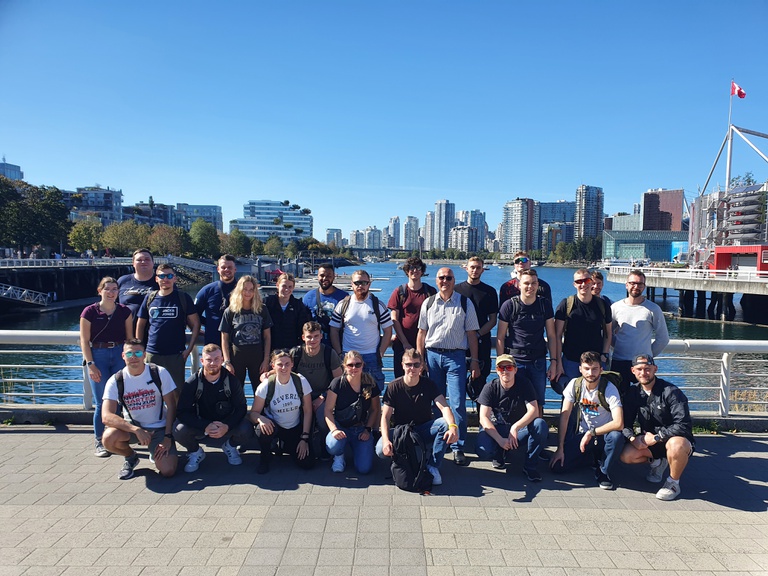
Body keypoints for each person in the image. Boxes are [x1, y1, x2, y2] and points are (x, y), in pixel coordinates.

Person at [416, 267, 479, 466]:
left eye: (449, 278)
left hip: (456, 357)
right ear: (436, 281)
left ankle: (458, 446)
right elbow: (421, 334)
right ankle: (440, 441)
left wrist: (475, 361)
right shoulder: (429, 302)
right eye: (442, 278)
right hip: (433, 356)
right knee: (437, 402)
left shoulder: (464, 302)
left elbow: (471, 335)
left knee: (458, 402)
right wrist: (420, 360)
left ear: (454, 280)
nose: (445, 281)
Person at [376, 349, 459, 486]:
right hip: (401, 432)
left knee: (444, 424)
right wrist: (386, 440)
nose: (412, 368)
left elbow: (444, 407)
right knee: (379, 450)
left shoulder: (429, 384)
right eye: (408, 364)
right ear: (402, 365)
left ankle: (433, 466)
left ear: (421, 366)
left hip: (423, 429)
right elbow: (385, 416)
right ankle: (404, 459)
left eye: (416, 365)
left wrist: (453, 426)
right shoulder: (393, 386)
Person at [620, 354, 695, 501]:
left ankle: (673, 483)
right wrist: (632, 438)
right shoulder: (632, 393)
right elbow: (625, 424)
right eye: (639, 369)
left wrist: (657, 437)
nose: (643, 373)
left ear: (655, 369)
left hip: (672, 439)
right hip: (649, 441)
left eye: (647, 369)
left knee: (676, 445)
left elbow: (683, 425)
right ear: (633, 371)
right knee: (626, 455)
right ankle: (658, 463)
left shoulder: (671, 392)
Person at [101, 340, 178, 480]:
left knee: (168, 471)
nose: (133, 357)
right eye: (129, 353)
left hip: (159, 429)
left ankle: (155, 451)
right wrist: (136, 430)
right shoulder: (116, 380)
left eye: (137, 353)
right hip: (133, 429)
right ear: (123, 356)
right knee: (108, 438)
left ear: (144, 355)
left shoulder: (159, 373)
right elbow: (106, 416)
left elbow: (172, 406)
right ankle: (130, 457)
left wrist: (168, 437)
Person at [550, 351, 625, 490]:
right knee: (557, 467)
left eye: (595, 369)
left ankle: (603, 471)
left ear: (601, 369)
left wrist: (592, 432)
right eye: (587, 368)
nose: (591, 373)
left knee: (616, 436)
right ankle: (593, 458)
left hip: (604, 436)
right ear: (580, 369)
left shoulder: (609, 388)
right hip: (584, 436)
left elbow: (619, 423)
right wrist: (560, 448)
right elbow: (564, 416)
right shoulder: (575, 384)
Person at [175, 344, 255, 473]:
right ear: (202, 361)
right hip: (201, 424)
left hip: (225, 423)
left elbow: (241, 408)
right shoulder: (192, 383)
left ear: (222, 360)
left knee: (246, 428)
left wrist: (227, 426)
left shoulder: (232, 381)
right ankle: (196, 452)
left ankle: (230, 446)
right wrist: (204, 425)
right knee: (179, 430)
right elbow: (182, 412)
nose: (213, 363)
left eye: (217, 359)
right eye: (209, 360)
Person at [79, 276, 134, 457]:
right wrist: (91, 364)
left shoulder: (125, 311)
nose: (111, 293)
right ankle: (99, 440)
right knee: (101, 402)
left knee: (118, 399)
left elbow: (129, 338)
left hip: (119, 353)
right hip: (98, 355)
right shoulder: (89, 312)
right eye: (107, 289)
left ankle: (116, 438)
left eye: (114, 289)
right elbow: (84, 341)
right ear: (100, 290)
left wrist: (131, 360)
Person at [496, 269, 559, 414]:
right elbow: (500, 337)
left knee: (538, 402)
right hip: (515, 361)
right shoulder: (509, 306)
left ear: (538, 285)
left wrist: (554, 362)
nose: (530, 286)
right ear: (519, 285)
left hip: (538, 361)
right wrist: (501, 363)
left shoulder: (545, 305)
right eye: (526, 283)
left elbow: (551, 335)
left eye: (533, 283)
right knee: (514, 401)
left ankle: (537, 433)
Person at [476, 354, 547, 481]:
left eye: (508, 367)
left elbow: (534, 410)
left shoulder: (524, 384)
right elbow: (483, 418)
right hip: (497, 429)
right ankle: (499, 450)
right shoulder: (490, 387)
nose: (505, 371)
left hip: (517, 431)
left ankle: (530, 466)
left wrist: (516, 427)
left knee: (540, 424)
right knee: (483, 450)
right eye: (501, 368)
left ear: (515, 369)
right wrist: (499, 439)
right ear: (497, 371)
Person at [136, 263, 201, 388]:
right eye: (162, 276)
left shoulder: (183, 298)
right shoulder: (150, 298)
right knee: (152, 391)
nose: (165, 279)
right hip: (152, 353)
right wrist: (140, 349)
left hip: (175, 354)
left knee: (176, 392)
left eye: (169, 276)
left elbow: (196, 323)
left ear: (175, 278)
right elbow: (140, 324)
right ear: (156, 279)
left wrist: (188, 349)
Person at [249, 350, 314, 474]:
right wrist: (260, 419)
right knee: (262, 429)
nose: (283, 367)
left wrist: (304, 438)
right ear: (273, 365)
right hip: (274, 426)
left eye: (287, 364)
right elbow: (253, 413)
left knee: (308, 463)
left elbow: (308, 411)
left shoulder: (300, 381)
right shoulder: (266, 386)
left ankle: (283, 446)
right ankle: (265, 456)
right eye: (280, 364)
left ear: (292, 364)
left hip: (294, 427)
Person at [330, 270, 393, 392]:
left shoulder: (378, 305)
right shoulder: (343, 305)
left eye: (364, 282)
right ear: (352, 284)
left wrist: (380, 353)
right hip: (348, 356)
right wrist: (339, 353)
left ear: (369, 284)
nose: (361, 286)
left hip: (372, 357)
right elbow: (334, 330)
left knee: (373, 395)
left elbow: (388, 331)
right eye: (357, 282)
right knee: (347, 394)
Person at [611, 270, 670, 389]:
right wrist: (616, 347)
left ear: (644, 286)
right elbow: (608, 333)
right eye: (632, 283)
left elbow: (663, 338)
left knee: (644, 400)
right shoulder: (615, 307)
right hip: (619, 361)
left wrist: (648, 355)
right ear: (626, 284)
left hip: (643, 365)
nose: (636, 287)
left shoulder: (653, 309)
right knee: (619, 401)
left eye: (640, 284)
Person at [324, 351, 381, 474]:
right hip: (341, 427)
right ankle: (339, 455)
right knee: (333, 446)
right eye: (350, 365)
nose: (354, 368)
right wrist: (334, 429)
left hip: (360, 428)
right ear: (344, 366)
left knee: (364, 469)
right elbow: (328, 410)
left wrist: (368, 429)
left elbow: (375, 409)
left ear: (363, 365)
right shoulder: (337, 383)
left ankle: (356, 450)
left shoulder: (370, 384)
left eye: (357, 364)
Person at [554, 269, 612, 386]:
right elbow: (557, 335)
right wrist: (558, 363)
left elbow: (608, 333)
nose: (583, 284)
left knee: (597, 397)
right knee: (571, 397)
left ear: (591, 282)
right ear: (574, 284)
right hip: (571, 361)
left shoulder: (602, 305)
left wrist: (604, 355)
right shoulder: (566, 304)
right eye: (579, 281)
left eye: (586, 280)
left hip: (596, 362)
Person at [220, 275, 273, 395]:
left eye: (251, 290)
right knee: (236, 391)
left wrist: (266, 360)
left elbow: (267, 337)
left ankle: (258, 413)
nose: (248, 293)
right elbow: (224, 338)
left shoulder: (262, 309)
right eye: (245, 289)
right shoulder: (231, 311)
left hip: (257, 357)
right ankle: (239, 413)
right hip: (237, 357)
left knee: (261, 390)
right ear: (239, 290)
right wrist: (227, 362)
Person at [455, 256, 499, 400]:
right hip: (459, 344)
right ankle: (458, 421)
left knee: (481, 387)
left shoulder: (490, 292)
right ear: (466, 268)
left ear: (482, 269)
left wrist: (477, 335)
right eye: (472, 267)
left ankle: (483, 421)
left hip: (482, 344)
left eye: (478, 267)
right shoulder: (456, 290)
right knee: (457, 388)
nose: (475, 270)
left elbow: (492, 320)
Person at [387, 257, 436, 379]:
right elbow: (394, 319)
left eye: (418, 268)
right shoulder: (400, 292)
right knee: (401, 379)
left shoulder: (430, 291)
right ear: (407, 271)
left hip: (426, 345)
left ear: (422, 271)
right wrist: (404, 343)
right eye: (411, 268)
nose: (415, 270)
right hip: (402, 345)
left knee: (423, 379)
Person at [195, 254, 238, 346]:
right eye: (223, 267)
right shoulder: (206, 290)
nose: (226, 270)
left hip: (239, 345)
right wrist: (208, 323)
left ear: (235, 269)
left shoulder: (244, 290)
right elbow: (194, 314)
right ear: (218, 269)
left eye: (230, 267)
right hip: (214, 344)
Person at [302, 264, 348, 345]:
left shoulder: (344, 297)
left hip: (338, 345)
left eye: (329, 276)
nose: (325, 278)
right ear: (317, 276)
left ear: (334, 276)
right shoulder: (308, 297)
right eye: (322, 275)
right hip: (315, 346)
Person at [264, 272, 312, 351]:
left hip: (292, 349)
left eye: (290, 287)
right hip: (271, 349)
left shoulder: (298, 306)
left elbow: (303, 329)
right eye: (284, 286)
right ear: (277, 285)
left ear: (293, 288)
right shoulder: (267, 303)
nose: (286, 289)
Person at [117, 249, 158, 322]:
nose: (143, 262)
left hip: (154, 331)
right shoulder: (122, 281)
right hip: (127, 330)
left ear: (153, 262)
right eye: (139, 260)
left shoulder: (163, 282)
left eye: (147, 259)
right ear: (133, 263)